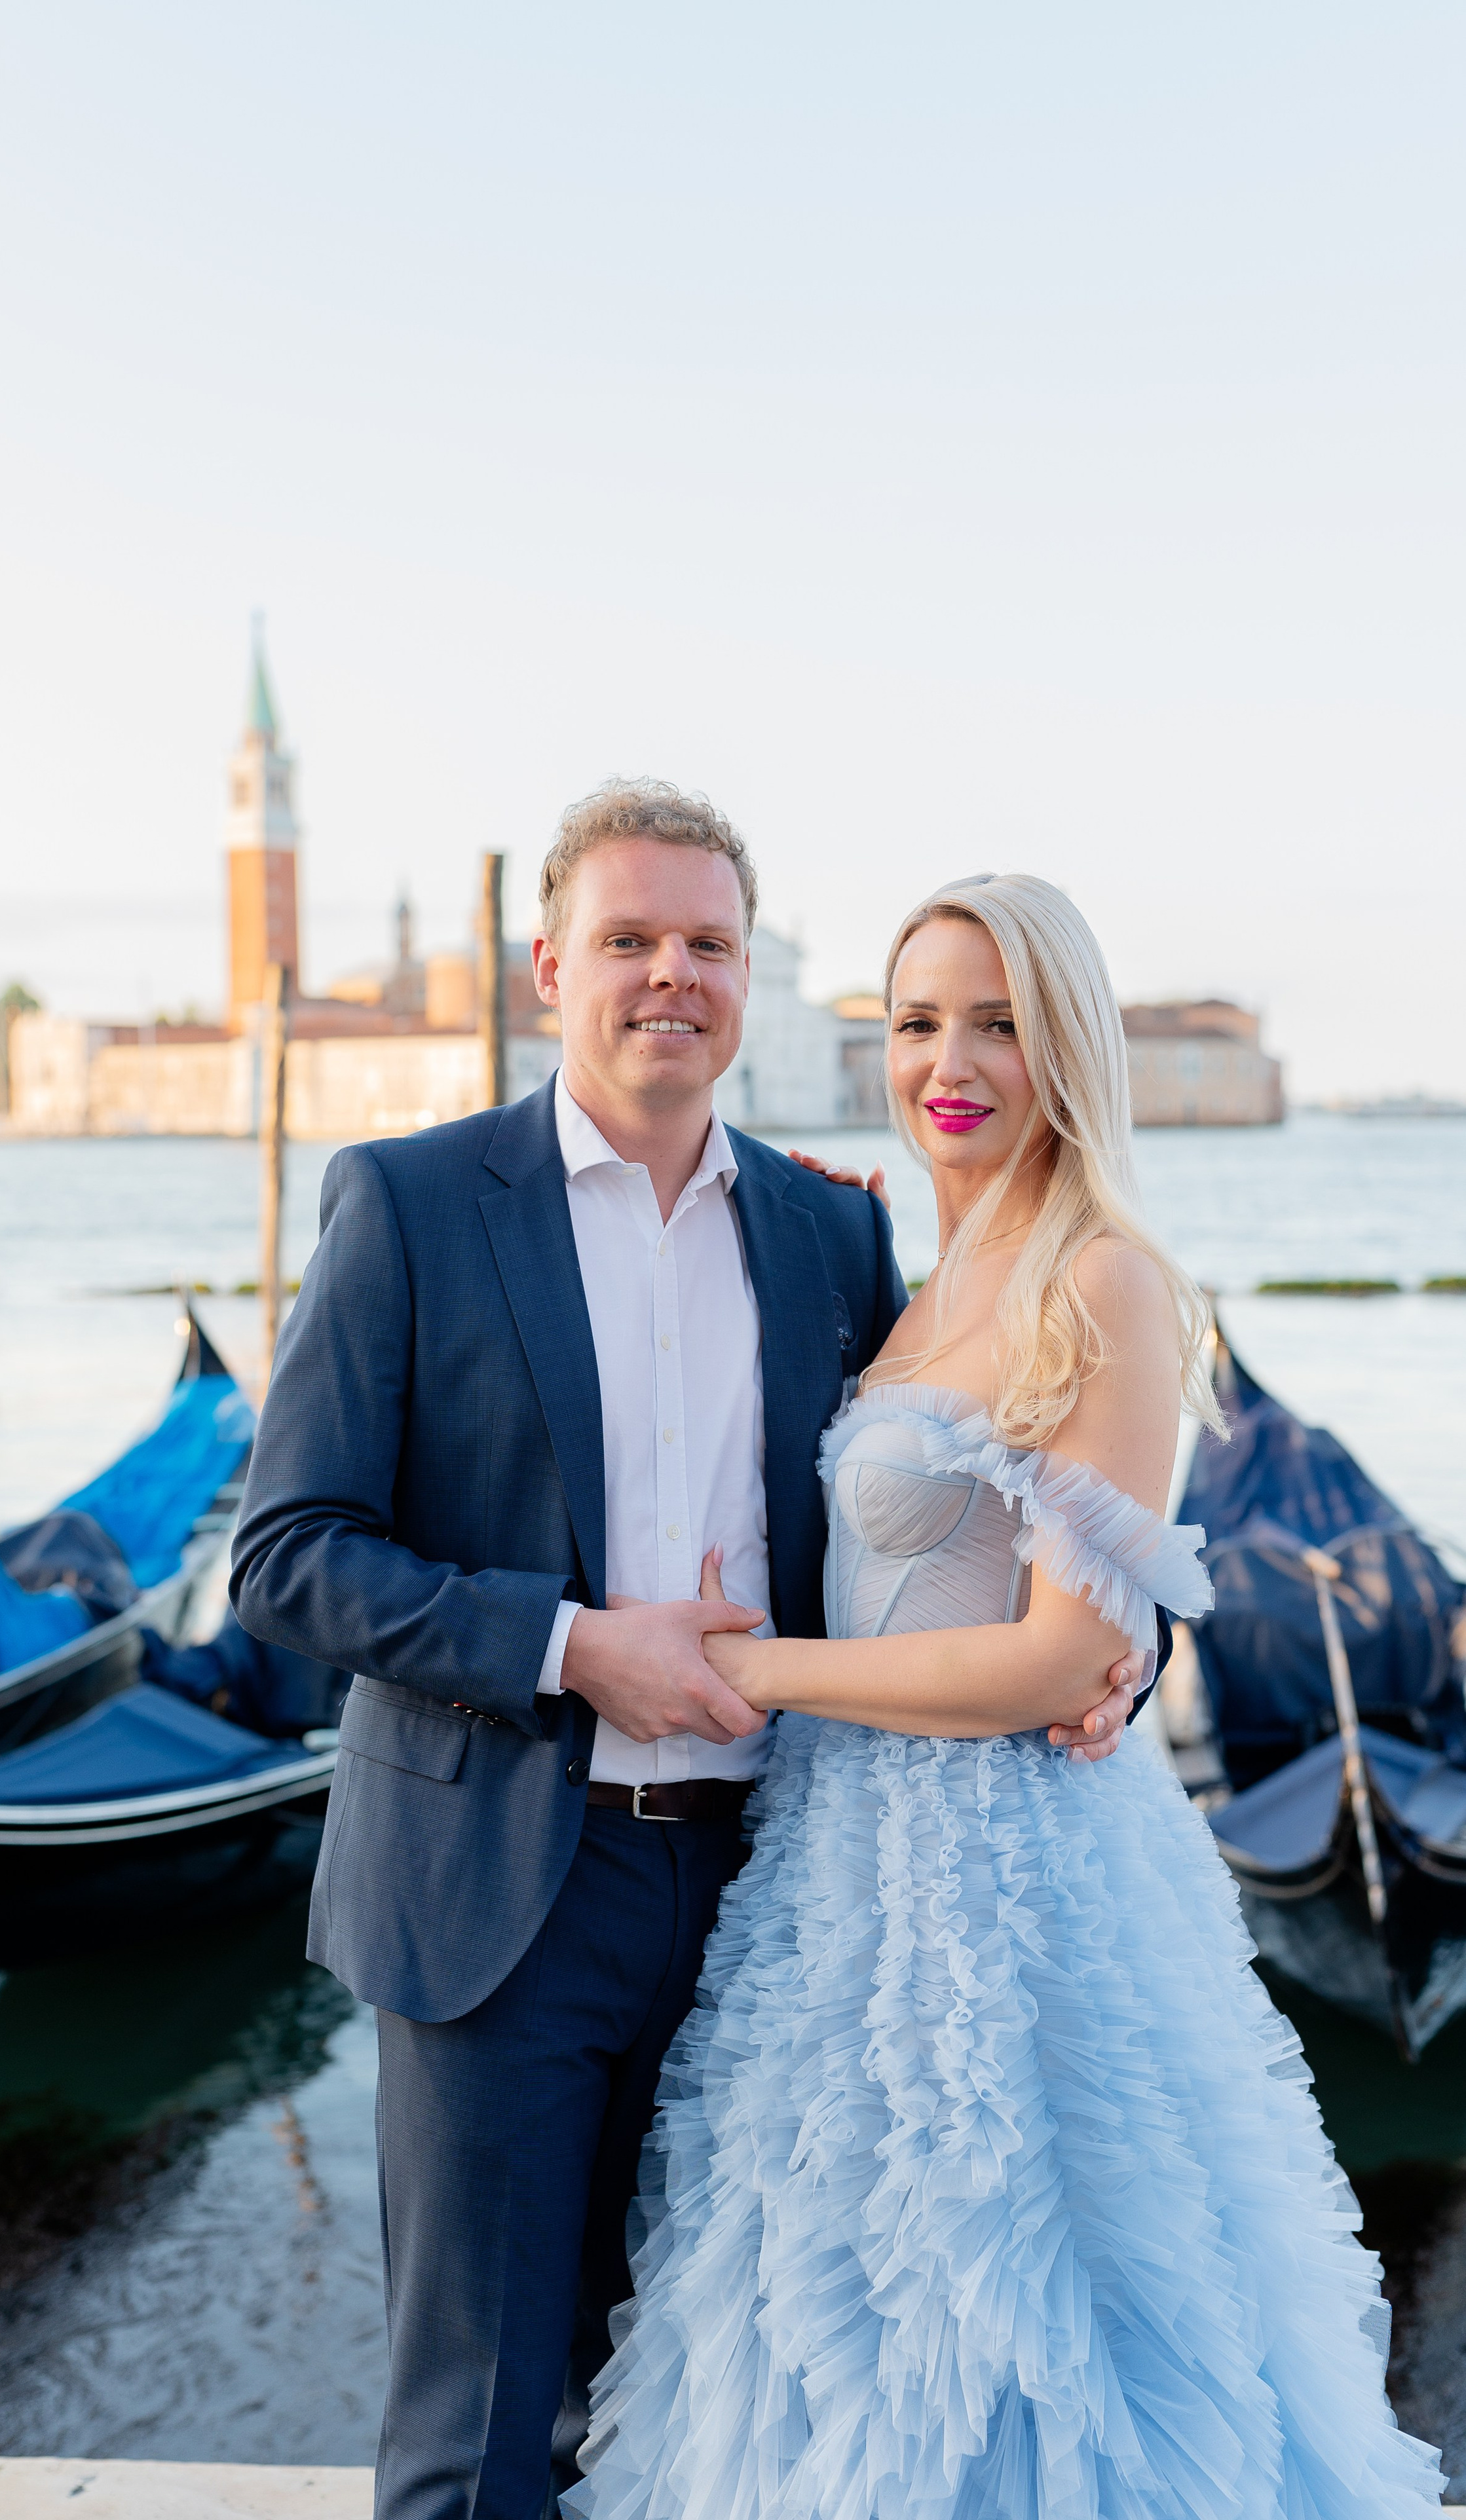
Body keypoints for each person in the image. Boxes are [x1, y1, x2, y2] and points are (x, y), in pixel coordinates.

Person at [230, 787, 1152, 2520]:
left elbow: (963, 1505)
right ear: (549, 963)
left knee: (705, 2414)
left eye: (710, 944)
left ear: (750, 973)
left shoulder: (830, 1236)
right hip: (507, 1891)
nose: (674, 976)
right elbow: (287, 1559)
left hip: (772, 1904)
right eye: (634, 940)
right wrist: (575, 1644)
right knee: (486, 2431)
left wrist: (1111, 1660)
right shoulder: (416, 1206)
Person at [564, 870, 1443, 2520]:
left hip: (1009, 1884)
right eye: (913, 1022)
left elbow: (1055, 1654)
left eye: (996, 1023)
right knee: (831, 2323)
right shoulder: (921, 1276)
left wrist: (742, 1668)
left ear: (1067, 1047)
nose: (944, 1061)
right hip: (841, 1875)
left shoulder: (1099, 1278)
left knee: (1029, 2318)